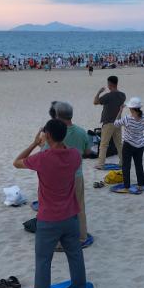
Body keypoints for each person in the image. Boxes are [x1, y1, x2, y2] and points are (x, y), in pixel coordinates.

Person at [13, 119, 86, 288]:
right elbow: (66, 150)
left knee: (43, 260)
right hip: (71, 216)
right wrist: (53, 141)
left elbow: (16, 162)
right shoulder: (74, 155)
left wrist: (35, 143)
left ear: (48, 136)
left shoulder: (42, 158)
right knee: (75, 255)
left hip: (48, 219)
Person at [48, 101, 92, 242]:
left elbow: (45, 152)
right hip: (77, 175)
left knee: (59, 209)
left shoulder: (54, 133)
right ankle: (82, 235)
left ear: (57, 115)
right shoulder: (81, 132)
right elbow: (87, 151)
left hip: (58, 178)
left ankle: (61, 239)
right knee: (79, 206)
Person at [113, 97, 144, 192]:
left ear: (131, 108)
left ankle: (127, 186)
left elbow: (115, 123)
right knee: (139, 165)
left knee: (126, 166)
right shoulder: (143, 117)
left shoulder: (127, 119)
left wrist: (120, 111)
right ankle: (141, 185)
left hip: (128, 145)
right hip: (140, 145)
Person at [93, 76, 125, 169]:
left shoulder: (108, 96)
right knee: (119, 144)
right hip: (118, 122)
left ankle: (101, 164)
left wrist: (99, 92)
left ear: (110, 84)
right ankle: (123, 161)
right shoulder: (122, 95)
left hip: (108, 122)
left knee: (104, 144)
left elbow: (95, 102)